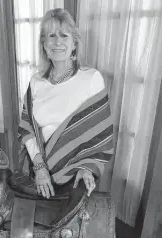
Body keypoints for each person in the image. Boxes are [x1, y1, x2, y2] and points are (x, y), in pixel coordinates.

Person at [18, 8, 114, 200]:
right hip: (37, 171)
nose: (57, 42)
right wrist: (39, 168)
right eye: (51, 35)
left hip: (74, 175)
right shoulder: (36, 81)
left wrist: (86, 168)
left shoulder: (91, 79)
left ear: (74, 43)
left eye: (64, 35)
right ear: (44, 45)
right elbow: (27, 130)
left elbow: (100, 138)